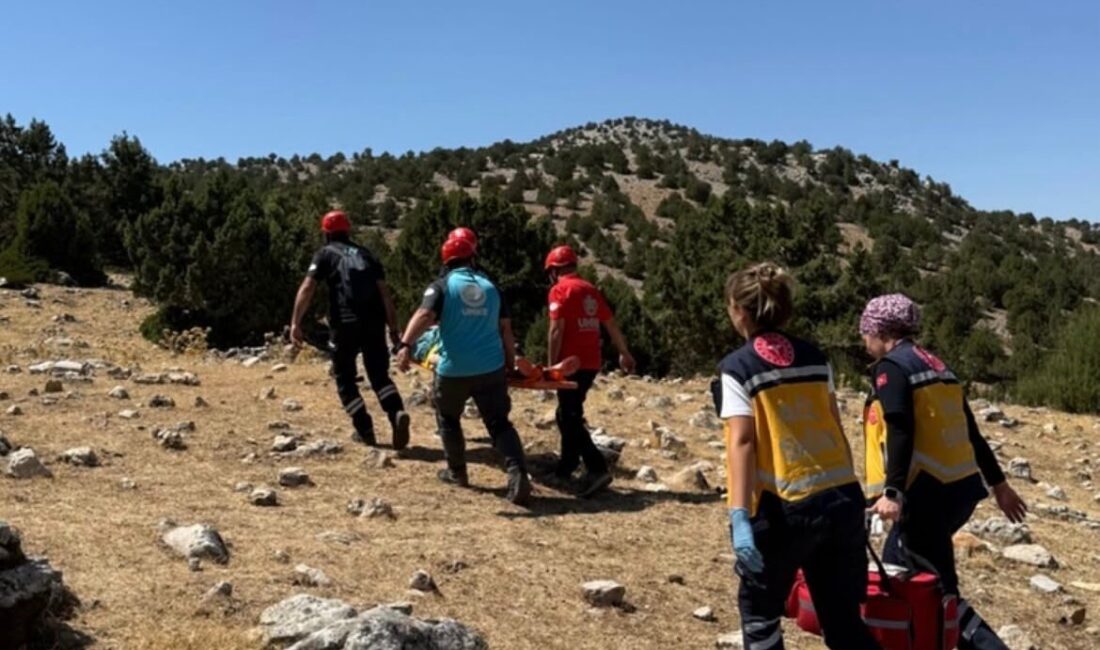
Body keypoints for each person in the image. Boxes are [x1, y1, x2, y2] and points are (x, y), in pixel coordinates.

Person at [714, 262, 881, 650]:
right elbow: (834, 424)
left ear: (738, 311)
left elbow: (742, 441)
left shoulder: (737, 368)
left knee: (760, 615)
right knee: (842, 621)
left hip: (784, 508)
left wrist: (739, 516)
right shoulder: (816, 357)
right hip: (840, 496)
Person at [861, 294, 1027, 650]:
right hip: (958, 489)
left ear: (880, 330)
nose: (863, 341)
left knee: (938, 592)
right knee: (900, 575)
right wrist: (999, 485)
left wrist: (892, 493)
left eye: (865, 332)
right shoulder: (937, 365)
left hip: (925, 495)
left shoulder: (893, 367)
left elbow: (900, 429)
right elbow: (970, 430)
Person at [395, 232, 532, 505]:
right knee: (499, 424)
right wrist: (509, 363)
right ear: (472, 257)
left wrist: (405, 344)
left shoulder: (442, 286)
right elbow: (506, 330)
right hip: (491, 368)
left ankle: (457, 473)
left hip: (454, 369)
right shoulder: (491, 287)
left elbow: (424, 315)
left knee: (447, 418)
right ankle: (518, 476)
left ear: (446, 260)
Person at [290, 210, 410, 450]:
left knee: (345, 379)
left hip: (344, 324)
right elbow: (386, 295)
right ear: (348, 231)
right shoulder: (367, 255)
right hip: (374, 324)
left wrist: (296, 322)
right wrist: (394, 330)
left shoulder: (325, 254)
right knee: (379, 375)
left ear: (326, 233)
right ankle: (396, 413)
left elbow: (307, 288)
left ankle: (365, 428)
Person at [543, 244, 635, 497]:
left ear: (553, 270)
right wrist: (624, 352)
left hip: (570, 363)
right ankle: (567, 466)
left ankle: (596, 468)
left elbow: (555, 330)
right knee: (567, 413)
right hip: (591, 363)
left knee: (569, 417)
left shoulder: (559, 290)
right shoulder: (590, 290)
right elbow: (611, 324)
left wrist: (553, 367)